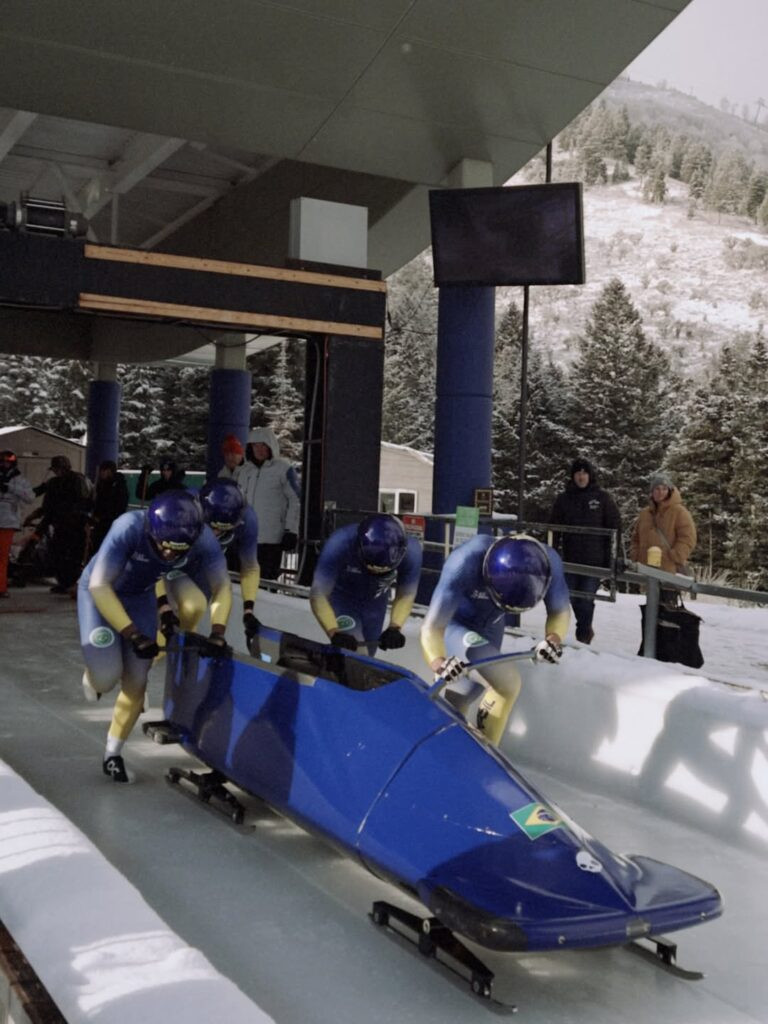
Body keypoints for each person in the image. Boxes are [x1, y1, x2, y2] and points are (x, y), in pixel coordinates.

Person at [78, 490, 231, 783]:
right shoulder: (127, 527)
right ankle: (93, 674)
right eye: (165, 547)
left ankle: (112, 753)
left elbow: (222, 586)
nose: (170, 555)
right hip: (99, 594)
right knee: (106, 677)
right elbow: (99, 586)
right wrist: (133, 635)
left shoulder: (204, 539)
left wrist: (218, 631)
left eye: (179, 550)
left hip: (140, 597)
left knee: (137, 680)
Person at [420, 534, 571, 746]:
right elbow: (432, 627)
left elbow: (560, 611)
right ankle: (485, 753)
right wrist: (439, 663)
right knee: (506, 682)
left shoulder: (549, 563)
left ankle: (448, 745)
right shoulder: (464, 561)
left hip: (491, 624)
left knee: (459, 701)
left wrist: (553, 639)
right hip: (454, 624)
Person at [158, 479, 261, 652]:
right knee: (163, 622)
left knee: (193, 610)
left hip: (202, 567)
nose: (215, 534)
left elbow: (249, 567)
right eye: (212, 527)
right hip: (170, 563)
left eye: (222, 530)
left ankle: (177, 648)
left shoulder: (247, 520)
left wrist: (248, 611)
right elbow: (153, 557)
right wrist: (163, 605)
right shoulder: (182, 506)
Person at [310, 513, 422, 656]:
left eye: (382, 570)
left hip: (375, 603)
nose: (376, 572)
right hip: (342, 599)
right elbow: (318, 593)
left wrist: (395, 627)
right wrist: (334, 631)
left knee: (368, 656)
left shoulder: (412, 552)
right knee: (357, 654)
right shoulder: (339, 543)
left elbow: (406, 593)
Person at [550, 456, 622, 644]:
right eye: (578, 473)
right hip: (570, 558)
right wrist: (551, 553)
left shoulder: (602, 498)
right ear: (573, 476)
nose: (581, 477)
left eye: (584, 473)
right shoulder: (564, 499)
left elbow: (615, 526)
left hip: (594, 560)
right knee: (573, 596)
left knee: (587, 598)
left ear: (590, 476)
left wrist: (615, 557)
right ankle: (585, 628)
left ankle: (583, 634)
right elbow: (553, 528)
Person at [239, 427, 300, 581]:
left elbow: (296, 500)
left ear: (271, 446)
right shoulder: (245, 471)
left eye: (263, 445)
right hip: (246, 538)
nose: (259, 450)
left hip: (271, 540)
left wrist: (291, 530)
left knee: (266, 583)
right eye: (255, 445)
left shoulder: (283, 469)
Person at [32, 455, 92, 593]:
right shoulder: (56, 482)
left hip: (74, 524)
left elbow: (85, 501)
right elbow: (45, 500)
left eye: (57, 469)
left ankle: (70, 583)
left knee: (71, 555)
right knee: (59, 554)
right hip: (63, 524)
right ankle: (64, 582)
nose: (56, 471)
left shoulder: (76, 480)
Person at [630, 470, 697, 583]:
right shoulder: (645, 513)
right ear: (652, 491)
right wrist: (635, 555)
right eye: (657, 489)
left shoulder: (679, 512)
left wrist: (676, 555)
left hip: (669, 570)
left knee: (667, 594)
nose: (660, 492)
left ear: (670, 491)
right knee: (649, 594)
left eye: (664, 489)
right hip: (645, 570)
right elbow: (635, 538)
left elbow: (688, 537)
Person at [0, 450, 35, 598]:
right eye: (2, 462)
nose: (4, 464)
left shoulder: (20, 480)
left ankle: (1, 587)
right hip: (6, 519)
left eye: (7, 462)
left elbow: (30, 498)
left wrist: (10, 488)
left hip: (8, 521)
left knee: (2, 556)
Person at [88, 460, 129, 553]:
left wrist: (103, 517)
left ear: (109, 471)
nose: (101, 473)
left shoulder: (119, 485)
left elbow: (118, 506)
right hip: (100, 522)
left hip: (111, 522)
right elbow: (98, 502)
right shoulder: (102, 484)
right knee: (97, 545)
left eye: (103, 471)